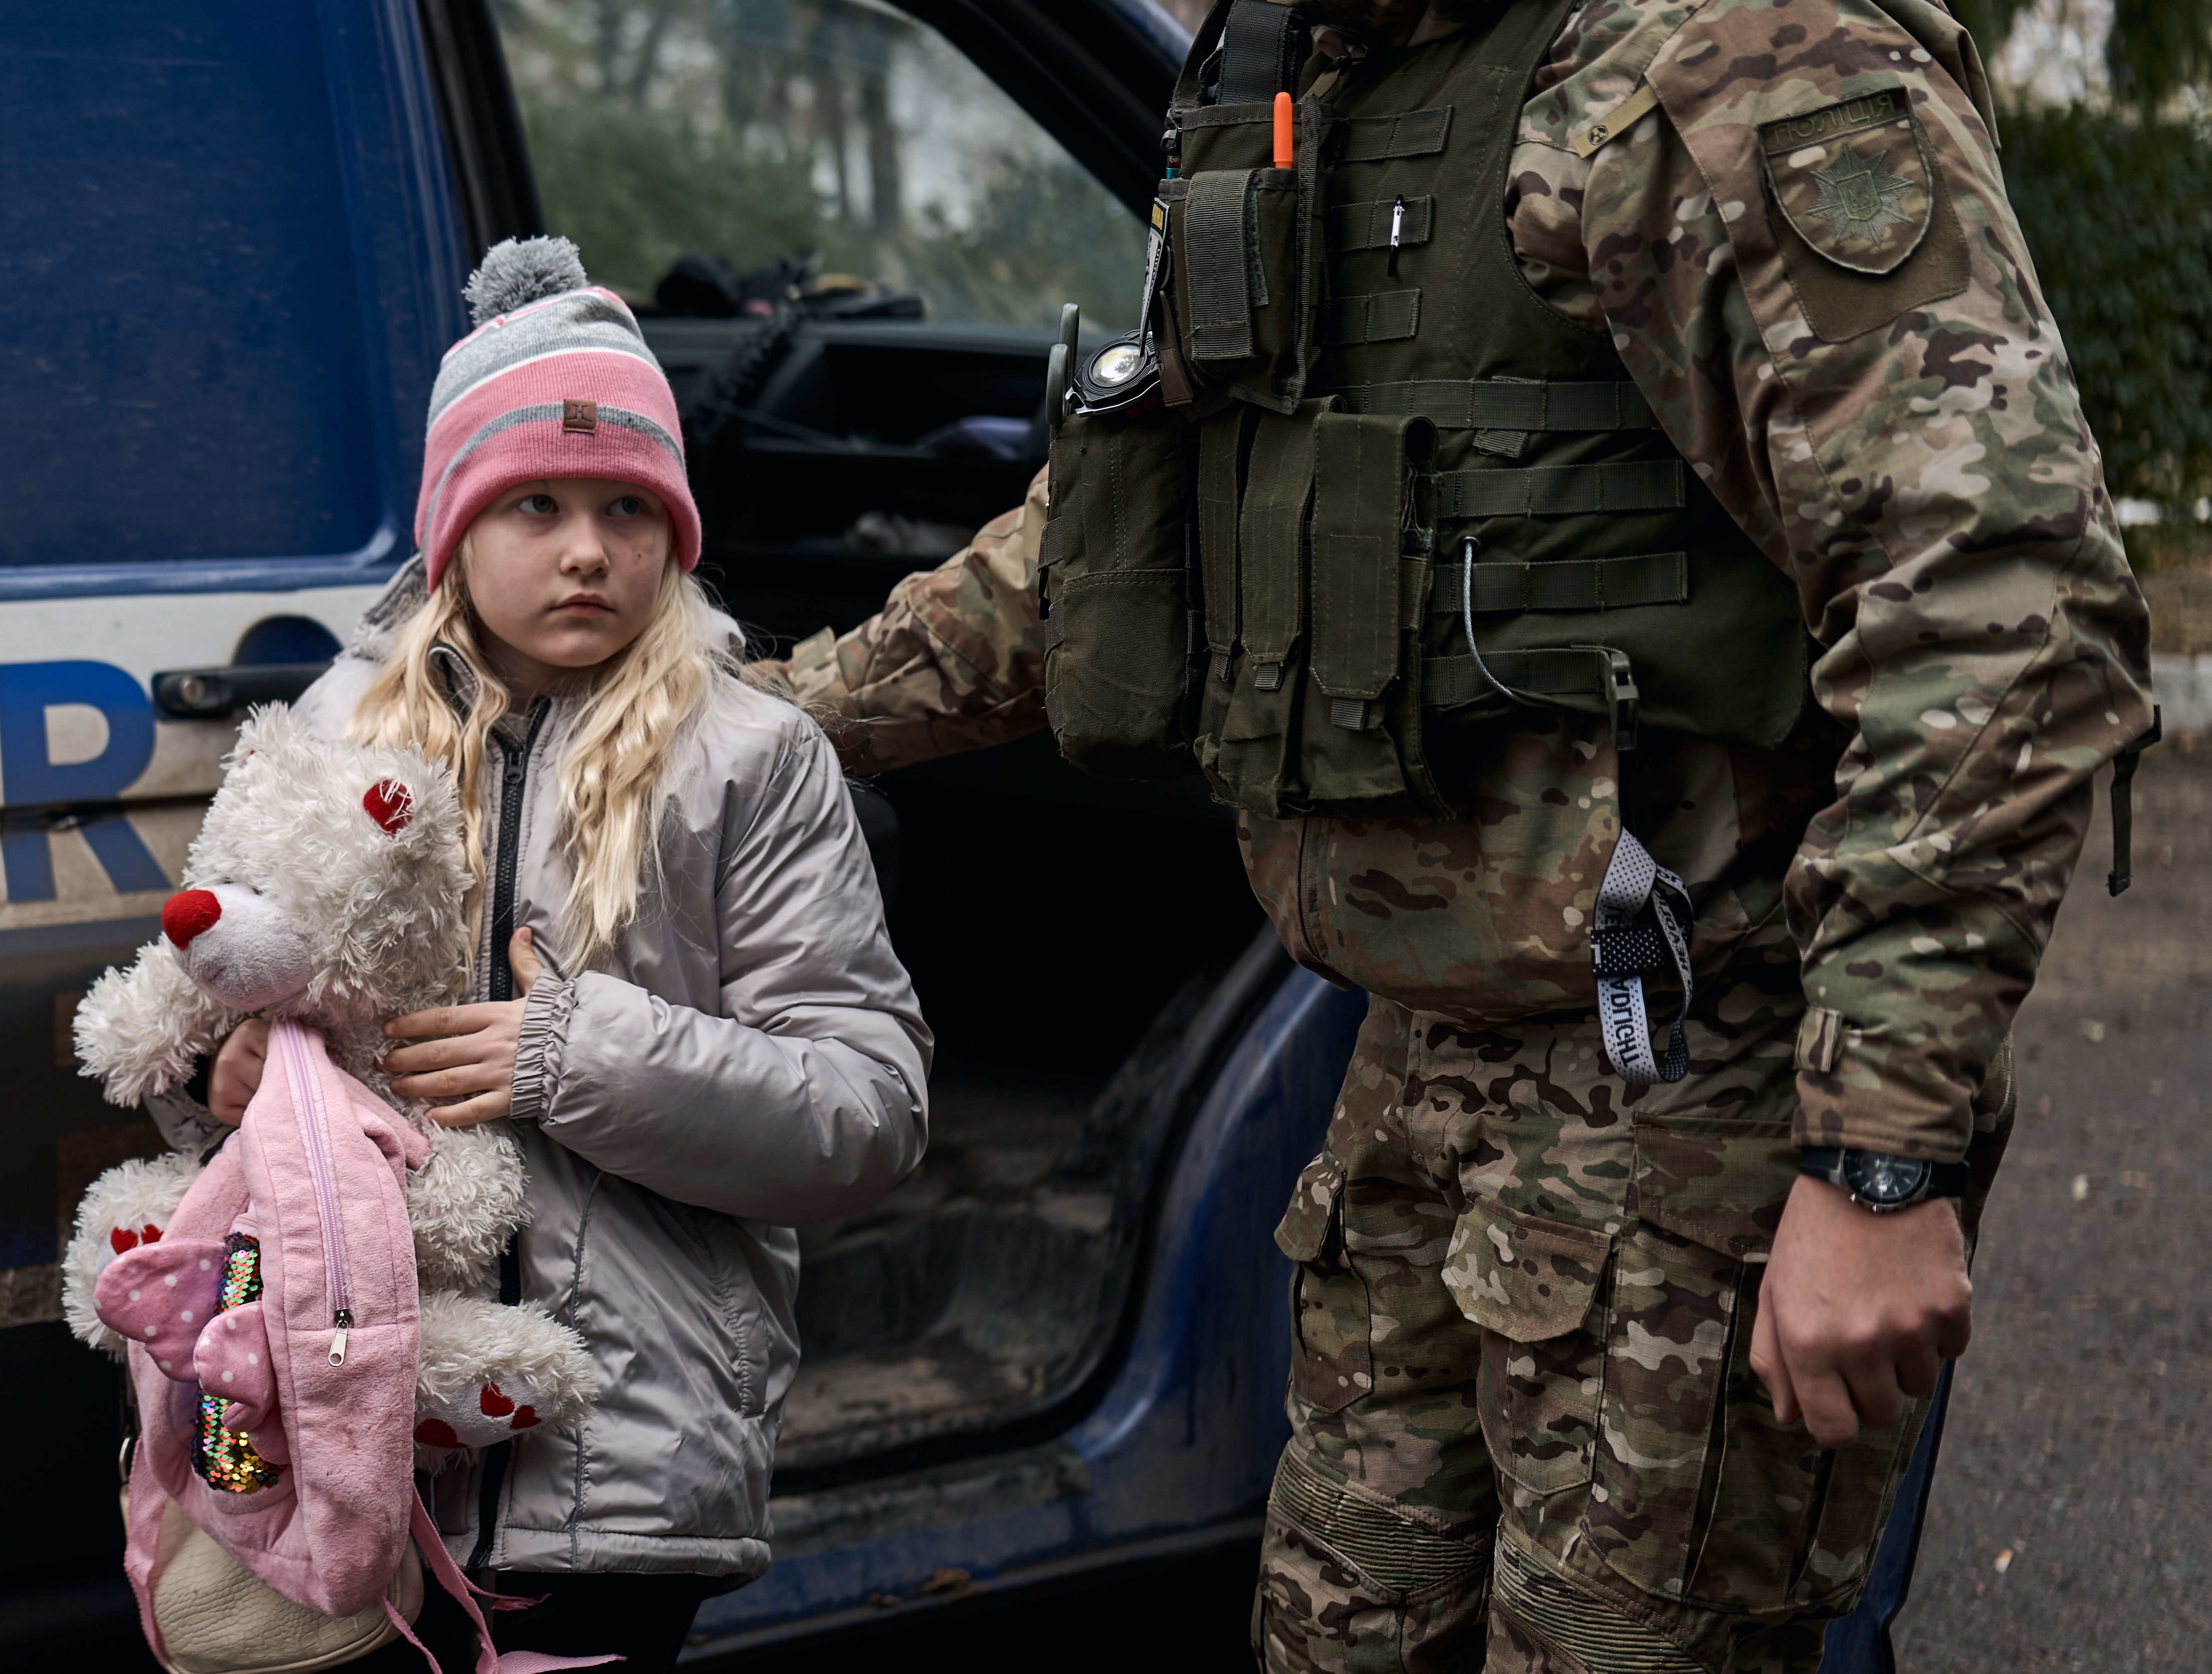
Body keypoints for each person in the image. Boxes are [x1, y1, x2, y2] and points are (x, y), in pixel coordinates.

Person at [754, 0, 2153, 1668]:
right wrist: (748, 727)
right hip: (1419, 1078)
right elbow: (1129, 538)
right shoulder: (1307, 77)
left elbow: (1998, 601)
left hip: (1698, 1094)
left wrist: (1878, 1153)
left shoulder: (1723, 56)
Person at [200, 236, 932, 1672]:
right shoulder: (340, 727)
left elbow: (867, 1111)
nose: (589, 547)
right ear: (454, 528)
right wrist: (221, 1074)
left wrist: (573, 1054)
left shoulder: (752, 761)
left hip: (615, 1465)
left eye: (628, 507)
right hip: (347, 1425)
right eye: (535, 502)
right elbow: (239, 979)